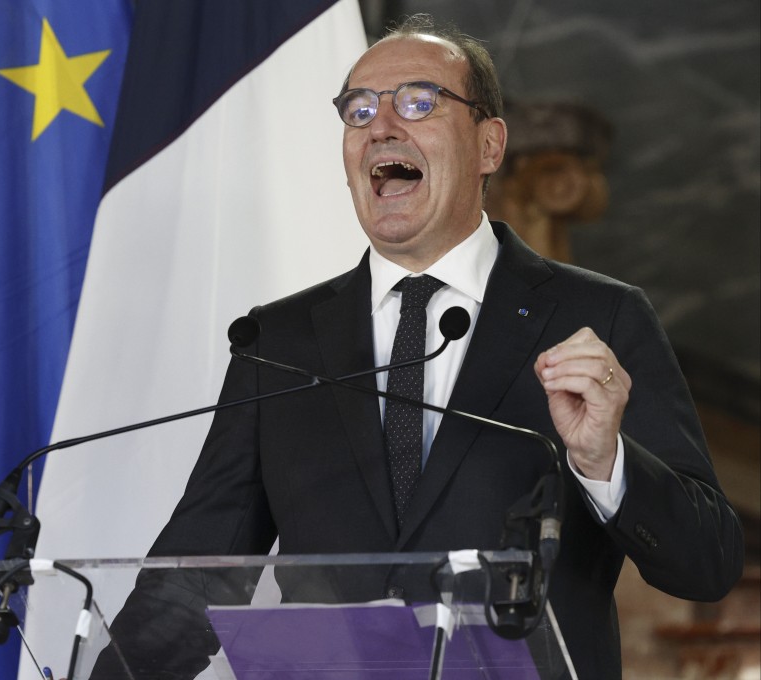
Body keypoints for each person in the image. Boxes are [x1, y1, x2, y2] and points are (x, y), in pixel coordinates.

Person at [91, 14, 743, 679]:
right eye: (359, 109)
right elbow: (190, 586)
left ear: (489, 145)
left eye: (419, 102)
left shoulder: (598, 316)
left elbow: (707, 563)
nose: (381, 126)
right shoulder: (278, 343)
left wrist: (607, 460)